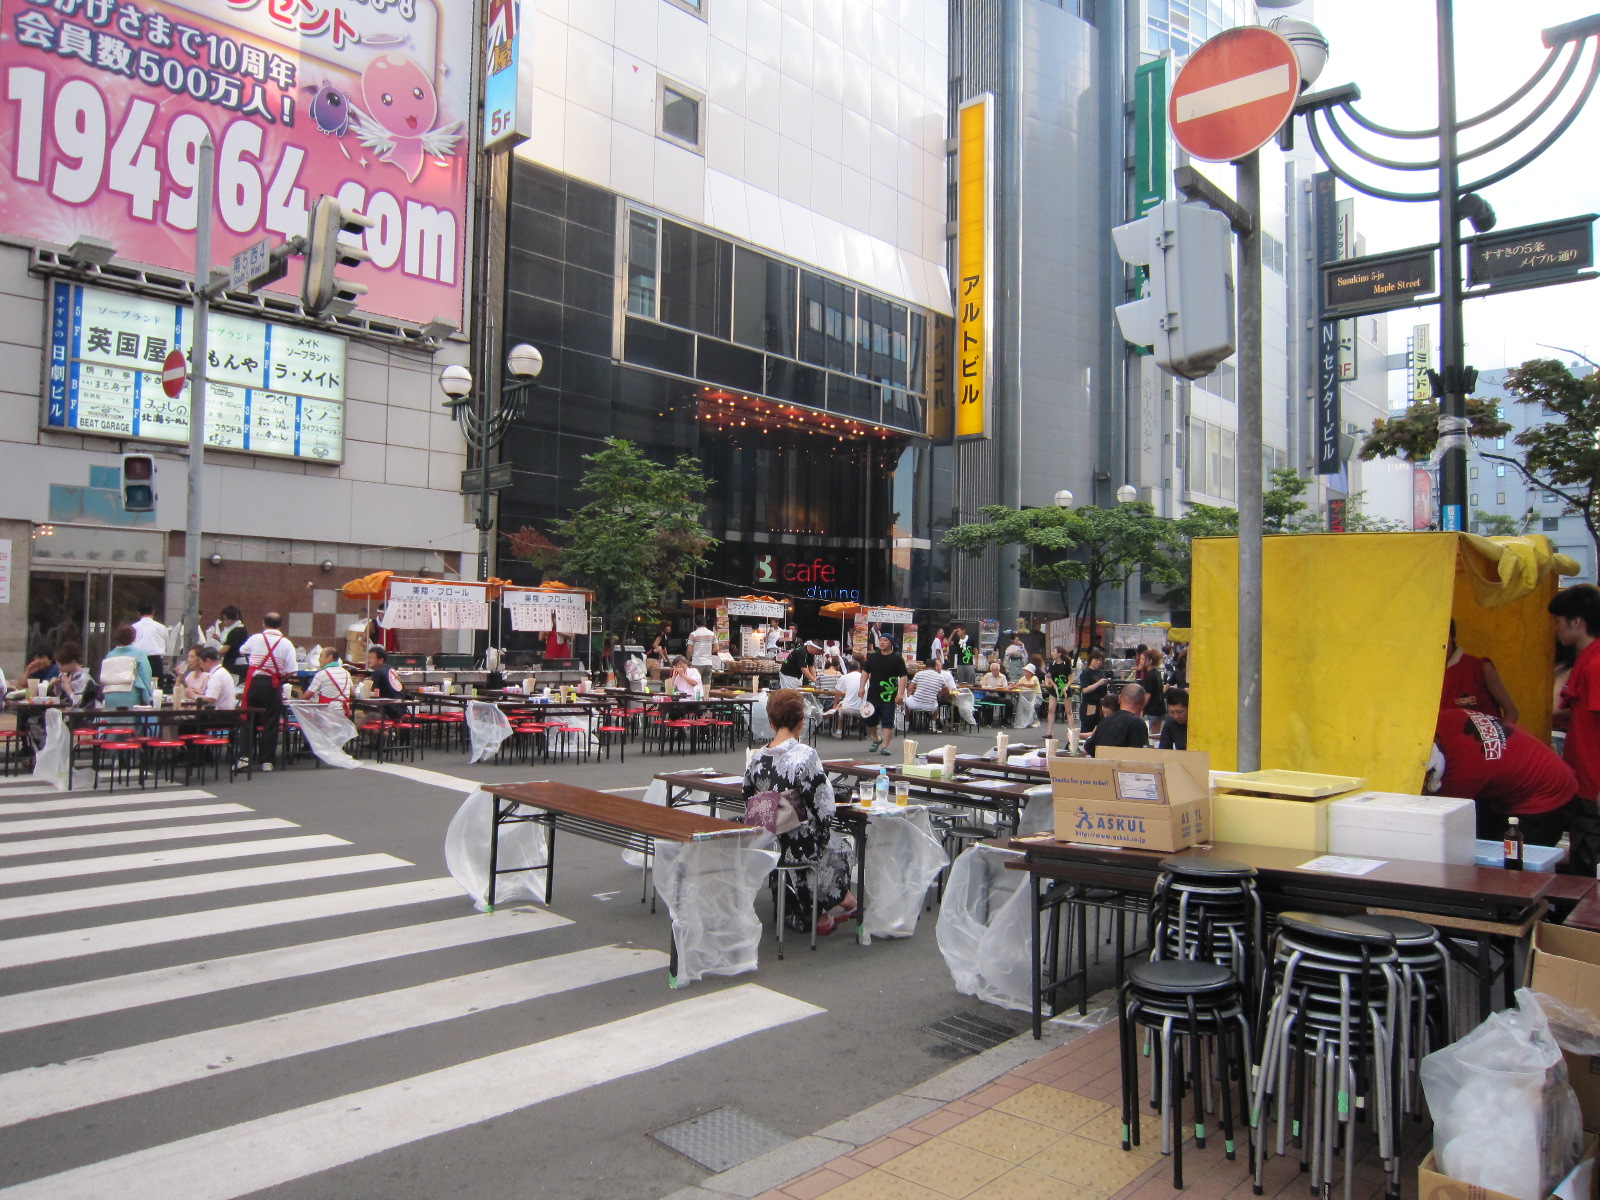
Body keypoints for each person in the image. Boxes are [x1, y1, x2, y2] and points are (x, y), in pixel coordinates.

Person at [742, 689, 857, 934]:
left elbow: (748, 796)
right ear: (801, 722)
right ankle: (830, 904)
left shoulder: (757, 758)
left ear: (771, 722)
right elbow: (824, 808)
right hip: (800, 844)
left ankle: (816, 910)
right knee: (839, 844)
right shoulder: (806, 755)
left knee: (807, 839)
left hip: (769, 840)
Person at [1432, 707, 1579, 844]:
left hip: (1545, 796)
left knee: (1514, 859)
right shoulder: (1443, 718)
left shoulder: (1462, 774)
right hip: (1543, 769)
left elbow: (1439, 821)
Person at [1549, 583, 1600, 876]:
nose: (1555, 629)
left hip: (1594, 787)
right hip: (1581, 781)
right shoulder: (1586, 659)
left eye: (1558, 621)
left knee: (1589, 870)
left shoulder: (1596, 664)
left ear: (1577, 622)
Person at [237, 613, 298, 772]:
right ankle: (267, 761)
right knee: (271, 722)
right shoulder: (286, 643)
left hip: (254, 683)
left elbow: (242, 650)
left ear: (264, 623)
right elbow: (292, 670)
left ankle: (244, 757)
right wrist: (281, 676)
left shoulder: (256, 638)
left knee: (248, 720)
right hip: (273, 684)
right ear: (281, 625)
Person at [1441, 619, 1518, 722]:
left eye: (1442, 637)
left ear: (1451, 637)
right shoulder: (1425, 676)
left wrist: (1499, 731)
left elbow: (1512, 713)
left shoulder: (1480, 668)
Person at [863, 634, 908, 756]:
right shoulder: (873, 656)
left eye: (885, 640)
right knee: (870, 719)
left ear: (891, 643)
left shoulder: (897, 658)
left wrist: (900, 694)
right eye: (880, 640)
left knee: (887, 720)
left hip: (889, 695)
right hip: (873, 694)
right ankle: (877, 738)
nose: (882, 642)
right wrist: (861, 687)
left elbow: (903, 676)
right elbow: (865, 672)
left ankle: (885, 746)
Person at [100, 624, 154, 710]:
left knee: (112, 717)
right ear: (134, 638)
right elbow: (145, 675)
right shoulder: (139, 654)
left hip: (110, 694)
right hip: (131, 693)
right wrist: (148, 696)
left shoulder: (110, 655)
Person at [1087, 683, 1150, 756]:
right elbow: (1141, 756)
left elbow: (1090, 748)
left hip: (1102, 761)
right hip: (1122, 762)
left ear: (1119, 699)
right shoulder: (1138, 724)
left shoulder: (1104, 721)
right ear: (1143, 703)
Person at [905, 656, 951, 732]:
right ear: (935, 666)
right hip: (931, 706)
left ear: (925, 666)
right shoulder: (940, 677)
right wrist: (938, 692)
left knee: (906, 703)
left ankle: (907, 724)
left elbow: (910, 688)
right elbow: (947, 691)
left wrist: (909, 696)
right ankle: (932, 726)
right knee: (937, 705)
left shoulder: (919, 674)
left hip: (916, 704)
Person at [304, 647, 354, 714]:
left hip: (327, 714)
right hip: (344, 713)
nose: (319, 659)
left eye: (321, 656)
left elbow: (307, 695)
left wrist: (297, 703)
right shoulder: (346, 673)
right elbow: (352, 693)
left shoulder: (322, 674)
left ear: (330, 657)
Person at [130, 602, 168, 685]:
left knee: (140, 685)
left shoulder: (133, 628)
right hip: (156, 661)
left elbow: (130, 645)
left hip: (139, 660)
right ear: (153, 612)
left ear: (139, 613)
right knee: (157, 686)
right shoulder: (161, 627)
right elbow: (166, 644)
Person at [49, 642, 95, 708]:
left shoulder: (83, 678)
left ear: (73, 662)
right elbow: (59, 695)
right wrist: (56, 684)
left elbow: (78, 703)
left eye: (62, 665)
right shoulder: (68, 674)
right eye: (59, 665)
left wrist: (67, 686)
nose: (60, 667)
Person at [1078, 648, 1111, 735]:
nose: (1098, 662)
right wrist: (1098, 683)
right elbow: (1085, 690)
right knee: (1088, 725)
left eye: (1100, 661)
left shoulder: (1101, 672)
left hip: (1100, 703)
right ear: (1091, 660)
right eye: (1096, 660)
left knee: (1100, 726)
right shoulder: (1086, 673)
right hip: (1090, 704)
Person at [195, 646, 238, 710]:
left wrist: (194, 696)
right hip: (225, 711)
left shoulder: (217, 675)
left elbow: (211, 699)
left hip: (221, 713)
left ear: (208, 661)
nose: (200, 666)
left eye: (201, 662)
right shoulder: (221, 672)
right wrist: (199, 693)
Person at [1044, 646, 1074, 738]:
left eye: (1054, 652)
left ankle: (1072, 731)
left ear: (1059, 654)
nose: (1052, 653)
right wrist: (1053, 684)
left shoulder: (1066, 665)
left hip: (1065, 689)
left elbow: (1071, 679)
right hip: (1055, 689)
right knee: (1051, 709)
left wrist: (1066, 687)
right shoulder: (1052, 665)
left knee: (1068, 710)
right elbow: (1049, 677)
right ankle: (1050, 731)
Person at [215, 605, 249, 681]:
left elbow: (225, 649)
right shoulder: (241, 628)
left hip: (235, 664)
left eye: (227, 619)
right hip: (241, 662)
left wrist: (213, 655)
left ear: (233, 618)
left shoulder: (236, 631)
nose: (225, 622)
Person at [1142, 647, 1167, 737]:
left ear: (1150, 661)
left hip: (1151, 710)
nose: (1141, 661)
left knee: (1150, 735)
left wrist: (1140, 707)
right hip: (1160, 708)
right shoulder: (1156, 673)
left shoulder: (1149, 675)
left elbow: (1148, 695)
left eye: (1143, 659)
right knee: (1156, 735)